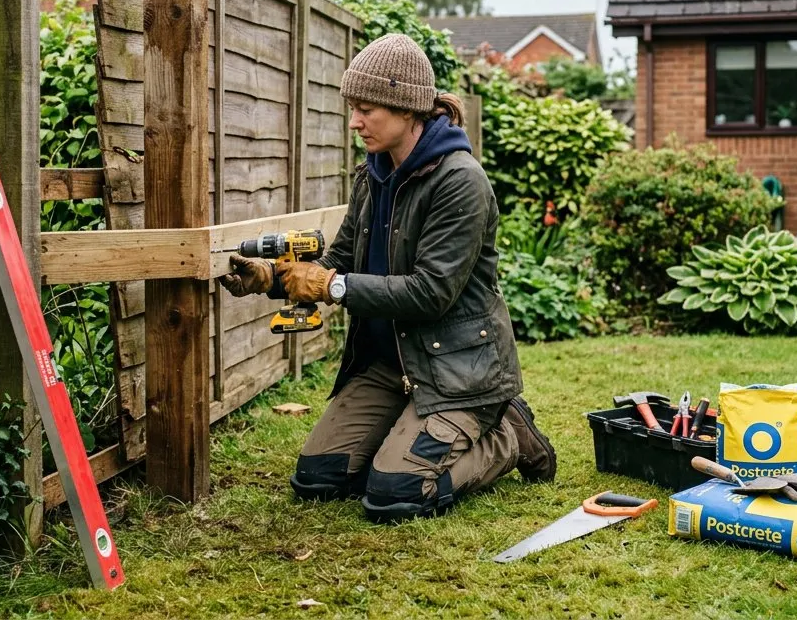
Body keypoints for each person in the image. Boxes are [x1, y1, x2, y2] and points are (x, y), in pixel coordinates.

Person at [219, 33, 556, 523]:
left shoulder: (460, 182)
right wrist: (272, 277)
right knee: (318, 479)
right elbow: (340, 260)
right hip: (389, 364)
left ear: (407, 109)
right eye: (353, 108)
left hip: (456, 371)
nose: (355, 121)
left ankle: (506, 433)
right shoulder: (372, 176)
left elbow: (431, 294)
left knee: (395, 494)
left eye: (366, 109)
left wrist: (332, 286)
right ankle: (410, 427)